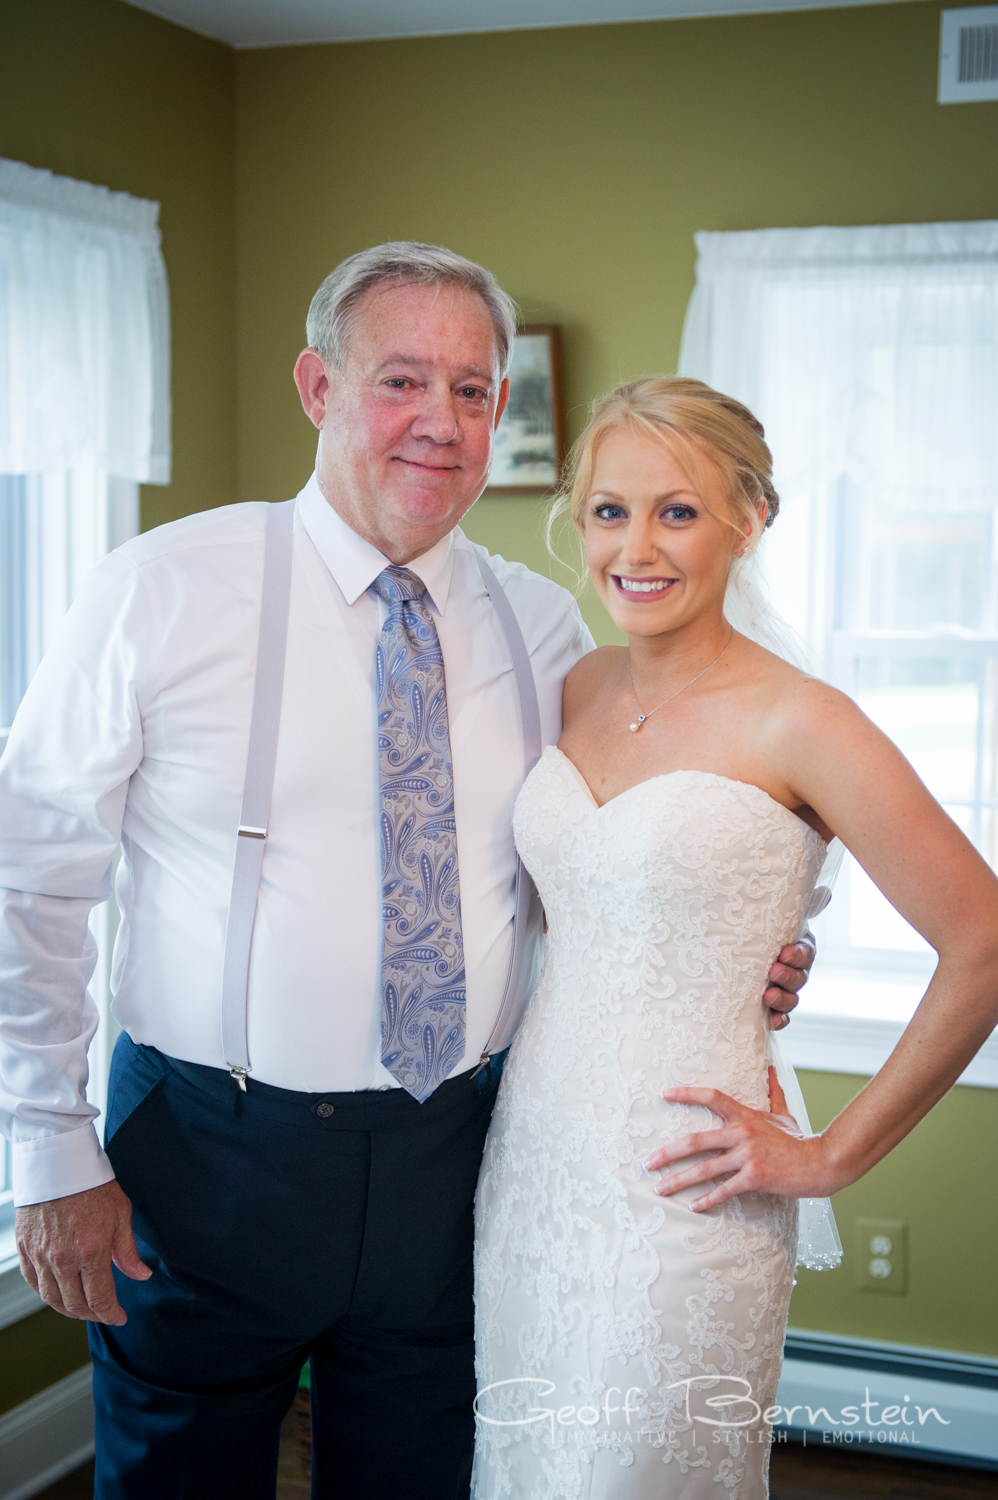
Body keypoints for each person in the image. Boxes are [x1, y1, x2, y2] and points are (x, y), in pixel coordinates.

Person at [1, 247, 813, 1500]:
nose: (439, 421)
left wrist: (734, 943)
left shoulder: (544, 627)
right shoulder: (158, 591)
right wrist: (50, 1155)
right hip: (207, 1161)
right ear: (317, 386)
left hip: (461, 1158)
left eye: (473, 389)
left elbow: (603, 857)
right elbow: (30, 878)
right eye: (400, 380)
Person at [471, 376, 998, 1500]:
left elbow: (983, 940)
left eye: (677, 510)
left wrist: (828, 1157)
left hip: (691, 1183)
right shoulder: (573, 687)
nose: (635, 547)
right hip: (534, 1164)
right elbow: (591, 908)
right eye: (609, 511)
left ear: (748, 518)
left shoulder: (801, 720)